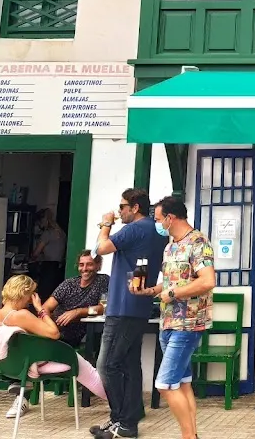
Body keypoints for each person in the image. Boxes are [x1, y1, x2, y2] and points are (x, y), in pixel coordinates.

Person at [133, 196, 215, 439]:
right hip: (167, 322)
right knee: (182, 382)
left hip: (188, 323)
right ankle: (191, 435)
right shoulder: (170, 246)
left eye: (158, 219)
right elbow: (169, 282)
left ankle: (188, 437)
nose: (157, 224)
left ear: (170, 218)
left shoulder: (198, 242)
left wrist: (173, 293)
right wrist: (151, 291)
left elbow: (207, 281)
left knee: (165, 385)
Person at [92, 188, 168, 439]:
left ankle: (122, 419)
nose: (119, 211)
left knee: (107, 365)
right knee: (129, 364)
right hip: (138, 307)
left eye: (123, 206)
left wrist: (105, 223)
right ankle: (129, 420)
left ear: (135, 208)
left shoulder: (134, 229)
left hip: (122, 307)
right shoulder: (155, 232)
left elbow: (101, 249)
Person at [0, 274, 106, 419]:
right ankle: (117, 402)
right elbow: (54, 333)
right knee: (88, 371)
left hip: (9, 365)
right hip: (31, 364)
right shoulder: (22, 315)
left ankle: (21, 400)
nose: (29, 301)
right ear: (24, 293)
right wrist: (40, 309)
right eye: (30, 295)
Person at [42, 250, 109, 348]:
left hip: (71, 339)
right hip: (54, 333)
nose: (84, 268)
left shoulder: (102, 281)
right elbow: (46, 307)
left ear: (98, 266)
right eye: (81, 265)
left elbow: (102, 308)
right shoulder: (69, 284)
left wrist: (78, 312)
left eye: (89, 264)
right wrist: (49, 327)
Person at [31, 208, 66, 299]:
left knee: (44, 293)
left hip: (48, 265)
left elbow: (36, 253)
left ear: (42, 220)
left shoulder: (47, 233)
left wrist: (30, 258)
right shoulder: (61, 232)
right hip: (59, 266)